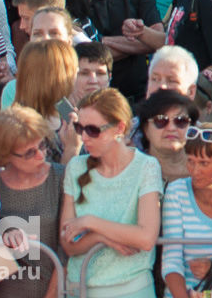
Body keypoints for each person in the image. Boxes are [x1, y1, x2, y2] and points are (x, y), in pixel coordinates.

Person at [62, 87, 162, 298]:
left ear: (119, 128)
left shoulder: (146, 166)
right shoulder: (75, 167)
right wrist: (103, 237)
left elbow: (145, 238)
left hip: (132, 289)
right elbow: (68, 244)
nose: (84, 137)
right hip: (79, 288)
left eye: (93, 130)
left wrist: (91, 222)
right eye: (80, 128)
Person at [0, 106, 63, 298]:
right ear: (6, 154)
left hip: (51, 289)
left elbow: (66, 251)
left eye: (42, 145)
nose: (40, 155)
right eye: (29, 152)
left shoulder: (60, 177)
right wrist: (4, 239)